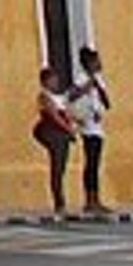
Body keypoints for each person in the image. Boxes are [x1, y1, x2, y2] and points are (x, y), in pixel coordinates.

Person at [69, 48, 113, 215]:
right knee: (91, 163)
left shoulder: (99, 80)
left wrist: (100, 89)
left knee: (96, 163)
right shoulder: (81, 79)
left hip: (98, 126)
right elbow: (71, 96)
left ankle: (96, 199)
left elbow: (107, 103)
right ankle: (90, 200)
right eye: (96, 61)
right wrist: (87, 87)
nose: (100, 63)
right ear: (89, 63)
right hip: (87, 127)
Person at [31, 63, 76, 216]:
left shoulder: (59, 96)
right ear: (45, 81)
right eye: (52, 79)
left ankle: (61, 202)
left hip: (62, 134)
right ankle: (59, 203)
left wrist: (71, 124)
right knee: (56, 168)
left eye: (55, 79)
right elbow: (54, 116)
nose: (55, 82)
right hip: (54, 133)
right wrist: (68, 128)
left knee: (61, 167)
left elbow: (66, 112)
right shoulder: (44, 96)